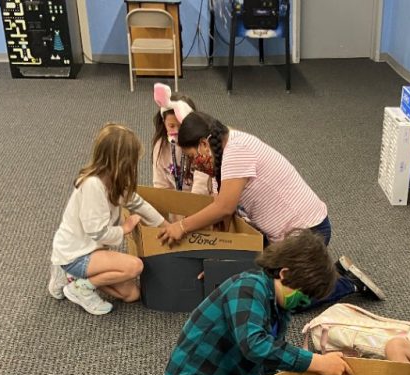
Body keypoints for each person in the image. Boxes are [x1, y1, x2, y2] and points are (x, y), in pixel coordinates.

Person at [131, 230, 354, 375]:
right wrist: (316, 362)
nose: (305, 303)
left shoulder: (277, 305)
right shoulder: (248, 288)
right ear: (285, 274)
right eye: (304, 295)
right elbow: (255, 345)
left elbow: (267, 356)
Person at [155, 102, 385, 304]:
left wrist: (182, 226)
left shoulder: (236, 151)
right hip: (277, 236)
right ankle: (325, 271)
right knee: (250, 282)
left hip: (309, 232)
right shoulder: (223, 157)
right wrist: (219, 263)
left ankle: (347, 283)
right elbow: (223, 217)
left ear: (205, 143)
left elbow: (223, 207)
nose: (194, 164)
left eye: (193, 156)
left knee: (279, 299)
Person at [48, 123, 167, 315]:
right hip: (77, 254)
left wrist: (166, 226)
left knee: (132, 294)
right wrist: (125, 228)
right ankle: (80, 287)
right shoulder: (93, 185)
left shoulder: (115, 181)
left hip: (93, 250)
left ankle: (72, 278)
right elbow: (98, 232)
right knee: (135, 266)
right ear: (120, 162)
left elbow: (138, 203)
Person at [151, 83, 213, 195]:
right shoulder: (160, 146)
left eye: (182, 125)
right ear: (163, 123)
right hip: (175, 202)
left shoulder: (201, 147)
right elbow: (160, 186)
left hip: (200, 200)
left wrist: (187, 209)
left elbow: (201, 190)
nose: (177, 132)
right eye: (171, 126)